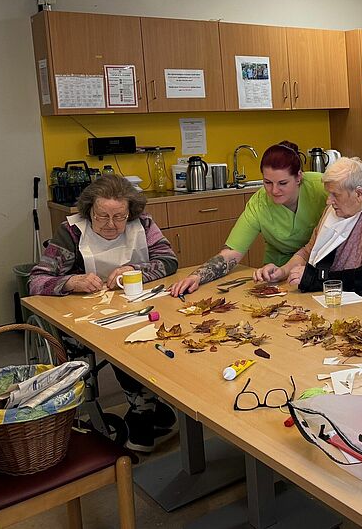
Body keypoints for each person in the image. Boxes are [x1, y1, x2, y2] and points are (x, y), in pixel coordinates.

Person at [29, 174, 179, 452]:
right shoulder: (71, 231)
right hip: (87, 319)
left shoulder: (143, 224)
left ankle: (146, 409)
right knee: (120, 347)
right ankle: (143, 411)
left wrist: (136, 271)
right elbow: (36, 279)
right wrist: (70, 282)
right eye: (102, 217)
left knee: (143, 341)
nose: (111, 225)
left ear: (130, 213)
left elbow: (169, 261)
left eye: (119, 217)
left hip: (137, 310)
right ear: (89, 212)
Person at [169, 140, 328, 297]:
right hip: (276, 273)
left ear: (299, 177)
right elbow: (231, 253)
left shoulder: (322, 187)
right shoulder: (259, 204)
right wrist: (196, 277)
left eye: (282, 183)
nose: (274, 190)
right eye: (267, 182)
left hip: (322, 269)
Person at [255, 157, 362, 300]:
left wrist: (318, 279)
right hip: (344, 296)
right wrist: (282, 272)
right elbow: (307, 252)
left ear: (359, 194)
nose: (328, 201)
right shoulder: (333, 211)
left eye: (335, 195)